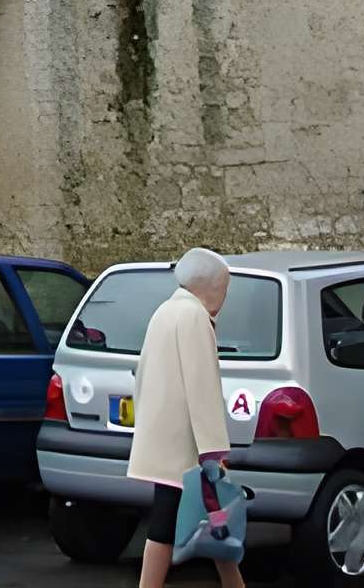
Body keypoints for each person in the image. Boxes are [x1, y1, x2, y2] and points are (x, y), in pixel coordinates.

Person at [132, 248, 247, 588]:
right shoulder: (195, 317)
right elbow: (203, 388)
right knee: (189, 518)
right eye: (224, 290)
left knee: (208, 517)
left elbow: (143, 375)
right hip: (185, 445)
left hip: (164, 438)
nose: (224, 299)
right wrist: (213, 451)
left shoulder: (165, 312)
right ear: (210, 287)